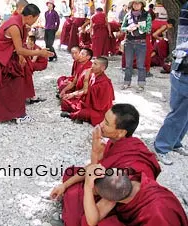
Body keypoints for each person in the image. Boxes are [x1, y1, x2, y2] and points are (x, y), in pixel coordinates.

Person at [50, 104, 161, 226]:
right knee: (70, 173)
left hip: (115, 202)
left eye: (107, 123)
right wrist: (65, 185)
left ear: (121, 132)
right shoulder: (118, 142)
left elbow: (94, 187)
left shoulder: (125, 172)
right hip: (103, 186)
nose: (101, 124)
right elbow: (94, 168)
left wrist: (94, 152)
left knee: (80, 220)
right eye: (104, 119)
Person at [0, 4, 53, 124]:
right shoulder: (15, 26)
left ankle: (18, 114)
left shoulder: (21, 24)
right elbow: (20, 49)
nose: (35, 22)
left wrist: (21, 57)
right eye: (36, 19)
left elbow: (18, 47)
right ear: (30, 17)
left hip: (8, 56)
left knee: (16, 82)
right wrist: (39, 52)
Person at [83, 167, 188, 226]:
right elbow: (92, 221)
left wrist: (87, 187)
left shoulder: (158, 214)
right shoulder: (131, 181)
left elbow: (91, 222)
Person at [154, 1, 188, 165]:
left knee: (186, 113)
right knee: (179, 111)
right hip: (184, 68)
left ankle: (175, 142)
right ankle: (162, 146)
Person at [60, 57, 114, 126]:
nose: (92, 66)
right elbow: (85, 90)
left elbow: (103, 104)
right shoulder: (93, 75)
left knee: (83, 113)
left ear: (102, 68)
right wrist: (72, 94)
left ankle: (71, 115)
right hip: (86, 103)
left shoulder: (104, 83)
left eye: (95, 64)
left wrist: (85, 80)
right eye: (93, 63)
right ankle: (80, 116)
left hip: (98, 109)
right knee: (65, 101)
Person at [121, 0, 152, 93]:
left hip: (141, 42)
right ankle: (127, 82)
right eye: (134, 3)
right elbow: (122, 27)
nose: (136, 5)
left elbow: (149, 29)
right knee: (128, 64)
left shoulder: (147, 15)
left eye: (138, 3)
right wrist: (127, 28)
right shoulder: (128, 15)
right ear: (132, 5)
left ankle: (141, 85)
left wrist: (139, 26)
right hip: (129, 42)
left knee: (140, 65)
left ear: (142, 5)